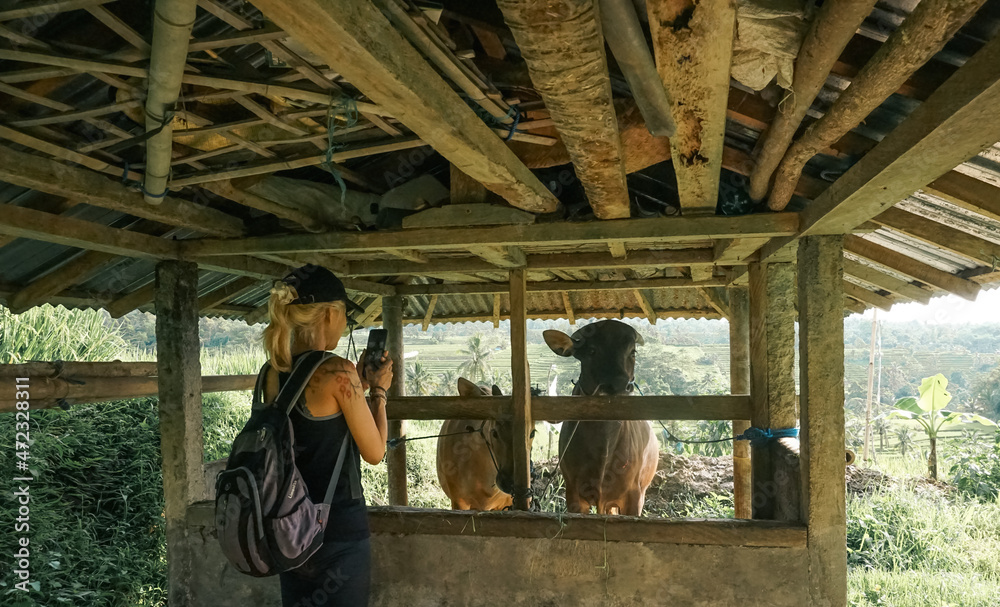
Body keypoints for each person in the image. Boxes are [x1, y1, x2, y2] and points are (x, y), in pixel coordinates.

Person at [261, 264, 392, 607]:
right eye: (345, 315)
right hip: (337, 534)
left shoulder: (270, 373)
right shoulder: (337, 371)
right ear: (330, 314)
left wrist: (358, 385)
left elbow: (309, 420)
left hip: (287, 531)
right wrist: (377, 392)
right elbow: (375, 452)